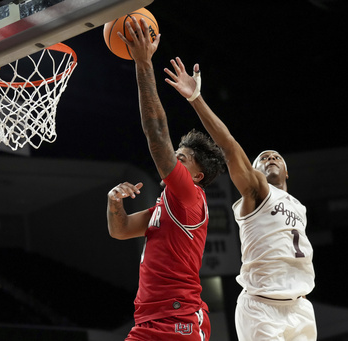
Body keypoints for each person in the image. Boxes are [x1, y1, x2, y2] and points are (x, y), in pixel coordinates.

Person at [164, 58, 317, 340]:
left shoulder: (299, 208)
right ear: (252, 171)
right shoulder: (257, 191)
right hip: (262, 307)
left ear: (287, 170)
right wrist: (196, 98)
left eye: (276, 157)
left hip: (300, 305)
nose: (270, 158)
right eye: (262, 158)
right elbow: (229, 146)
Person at [106, 17, 225, 340]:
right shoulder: (167, 206)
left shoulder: (189, 197)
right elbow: (119, 230)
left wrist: (143, 63)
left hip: (179, 320)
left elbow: (157, 135)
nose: (173, 160)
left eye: (181, 158)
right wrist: (114, 202)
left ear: (197, 176)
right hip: (147, 321)